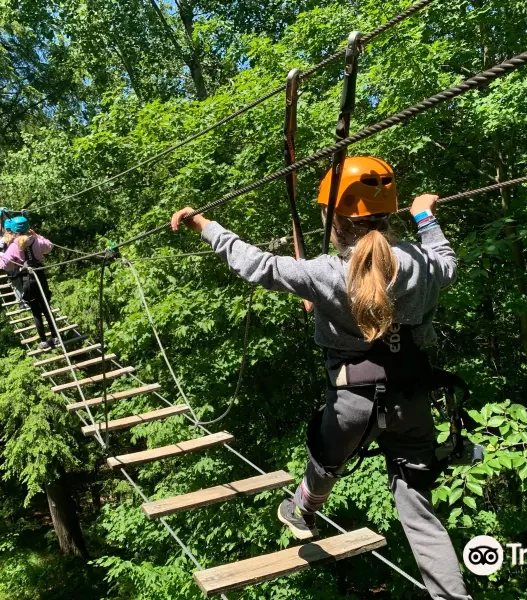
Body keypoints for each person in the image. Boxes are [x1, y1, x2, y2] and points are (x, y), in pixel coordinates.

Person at [170, 156, 471, 600]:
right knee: (420, 514)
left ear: (335, 220)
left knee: (326, 452)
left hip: (352, 401)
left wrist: (205, 225)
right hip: (412, 401)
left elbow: (256, 265)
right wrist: (425, 215)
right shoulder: (420, 264)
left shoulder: (326, 273)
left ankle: (303, 508)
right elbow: (446, 262)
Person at [0, 216, 59, 350]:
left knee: (36, 311)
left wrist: (1, 256)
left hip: (27, 279)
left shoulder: (14, 246)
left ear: (14, 230)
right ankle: (55, 337)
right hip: (40, 276)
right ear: (28, 228)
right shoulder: (36, 240)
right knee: (46, 307)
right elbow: (49, 246)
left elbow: (4, 265)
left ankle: (43, 341)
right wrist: (38, 235)